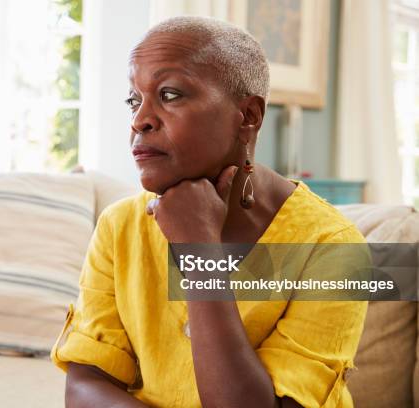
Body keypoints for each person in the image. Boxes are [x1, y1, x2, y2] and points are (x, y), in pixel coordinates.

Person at [51, 16, 368, 407]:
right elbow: (83, 387)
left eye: (170, 95)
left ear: (248, 116)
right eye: (134, 99)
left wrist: (199, 251)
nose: (139, 120)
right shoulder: (119, 226)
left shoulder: (334, 248)